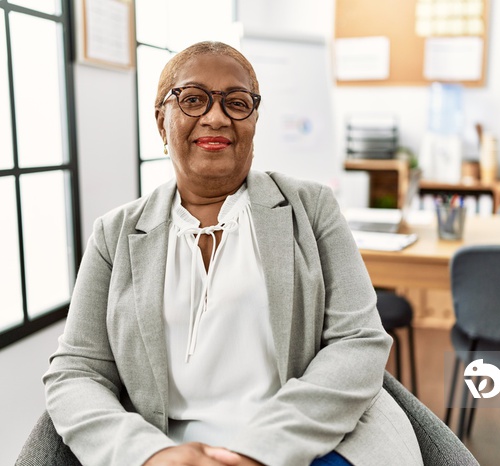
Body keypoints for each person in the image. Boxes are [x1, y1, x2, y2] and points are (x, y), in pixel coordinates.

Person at [43, 41, 422, 466]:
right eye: (192, 100)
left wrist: (258, 451)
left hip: (305, 445)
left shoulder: (310, 208)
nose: (217, 116)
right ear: (161, 121)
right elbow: (77, 371)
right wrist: (147, 455)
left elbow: (358, 341)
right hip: (171, 454)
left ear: (253, 121)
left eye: (237, 103)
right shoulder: (114, 235)